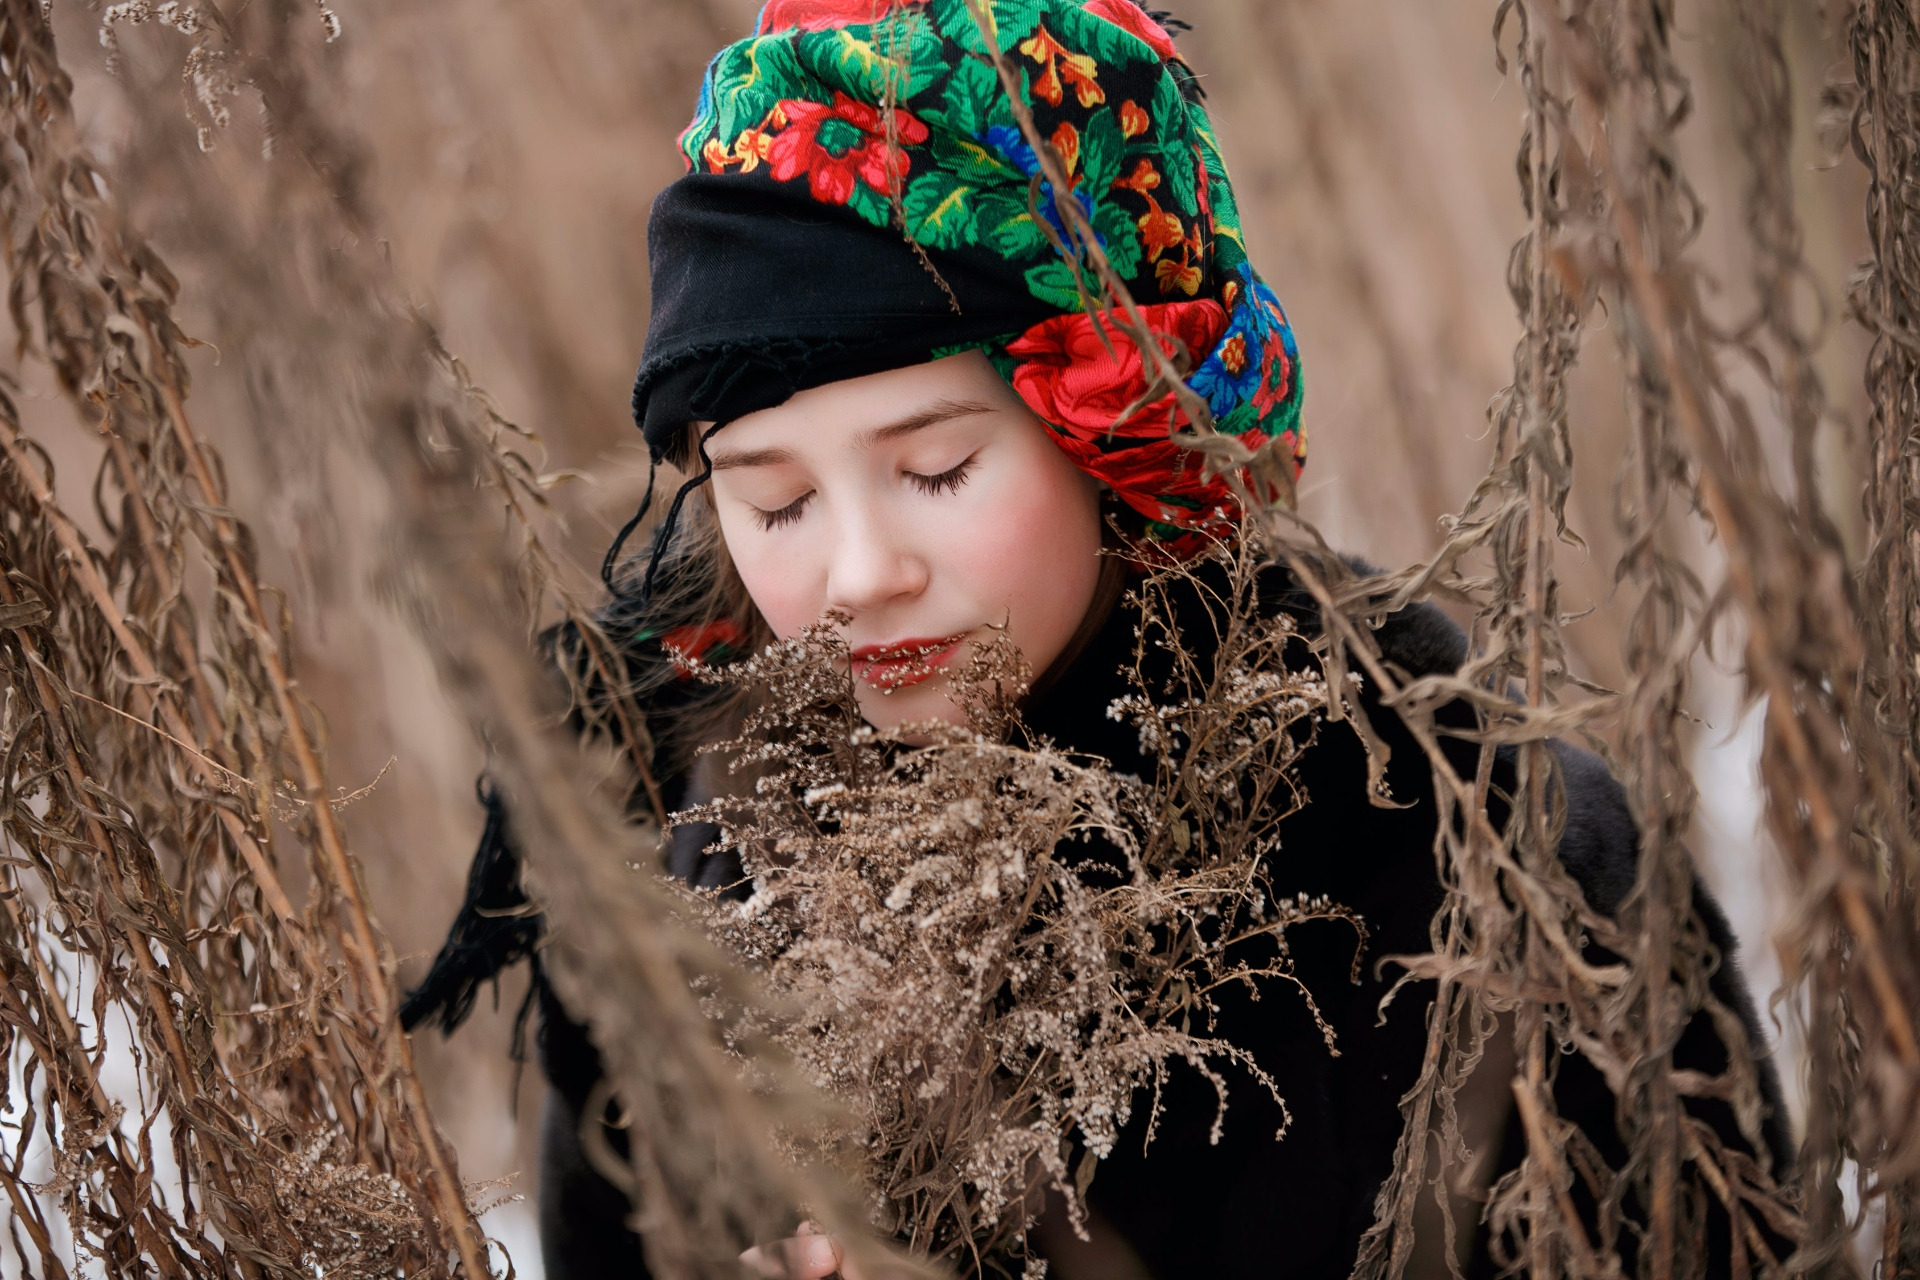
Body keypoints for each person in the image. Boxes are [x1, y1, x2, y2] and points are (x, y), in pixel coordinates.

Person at [402, 2, 1793, 1277]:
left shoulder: (1468, 843)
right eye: (773, 499)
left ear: (1119, 442)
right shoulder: (704, 853)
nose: (856, 575)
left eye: (937, 469)